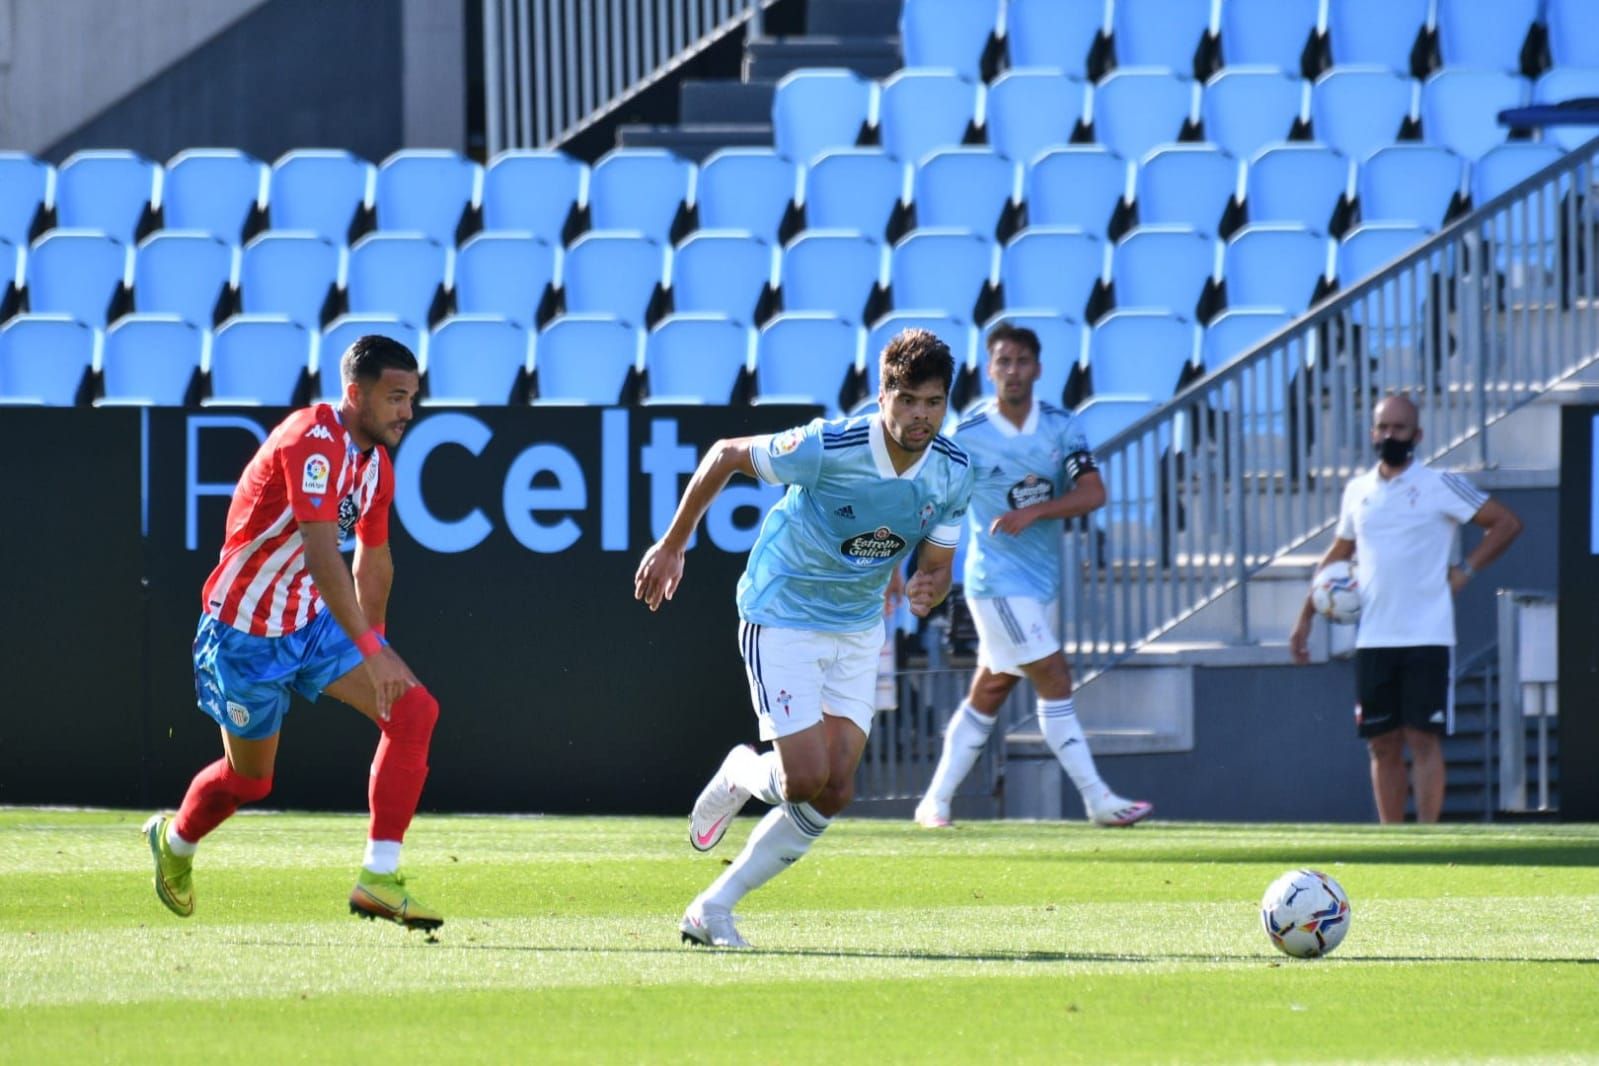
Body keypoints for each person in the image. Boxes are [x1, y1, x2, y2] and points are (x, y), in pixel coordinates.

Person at [634, 328, 975, 949]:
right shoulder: (829, 445)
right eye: (907, 400)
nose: (921, 415)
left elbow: (937, 562)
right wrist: (674, 543)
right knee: (800, 780)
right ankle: (741, 773)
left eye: (933, 402)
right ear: (882, 396)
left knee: (836, 789)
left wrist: (931, 587)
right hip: (782, 610)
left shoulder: (953, 471)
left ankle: (713, 907)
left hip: (857, 625)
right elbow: (725, 454)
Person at [142, 335, 443, 931]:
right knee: (250, 781)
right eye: (395, 397)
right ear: (355, 394)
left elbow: (373, 562)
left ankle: (378, 878)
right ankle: (174, 843)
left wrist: (378, 649)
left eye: (412, 397)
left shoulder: (376, 467)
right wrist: (370, 652)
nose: (407, 411)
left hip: (310, 622)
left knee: (413, 713)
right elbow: (321, 553)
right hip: (243, 636)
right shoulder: (313, 440)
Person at [913, 323, 1153, 830]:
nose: (1013, 371)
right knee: (1055, 676)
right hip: (993, 582)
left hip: (1040, 583)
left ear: (1038, 369)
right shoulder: (968, 434)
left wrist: (1034, 512)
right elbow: (931, 499)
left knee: (992, 687)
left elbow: (1093, 492)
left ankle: (934, 802)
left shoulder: (1062, 427)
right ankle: (1097, 798)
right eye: (1003, 361)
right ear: (989, 368)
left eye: (1022, 361)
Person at [1290, 394, 1523, 823]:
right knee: (1381, 742)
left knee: (1424, 739)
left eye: (1399, 428)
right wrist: (1304, 617)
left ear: (1417, 435)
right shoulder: (1358, 491)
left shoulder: (1439, 484)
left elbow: (1506, 523)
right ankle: (1392, 838)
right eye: (1383, 427)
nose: (1389, 435)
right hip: (1374, 636)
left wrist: (1464, 570)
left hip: (1428, 634)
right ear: (1372, 433)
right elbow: (1339, 554)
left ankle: (1427, 837)